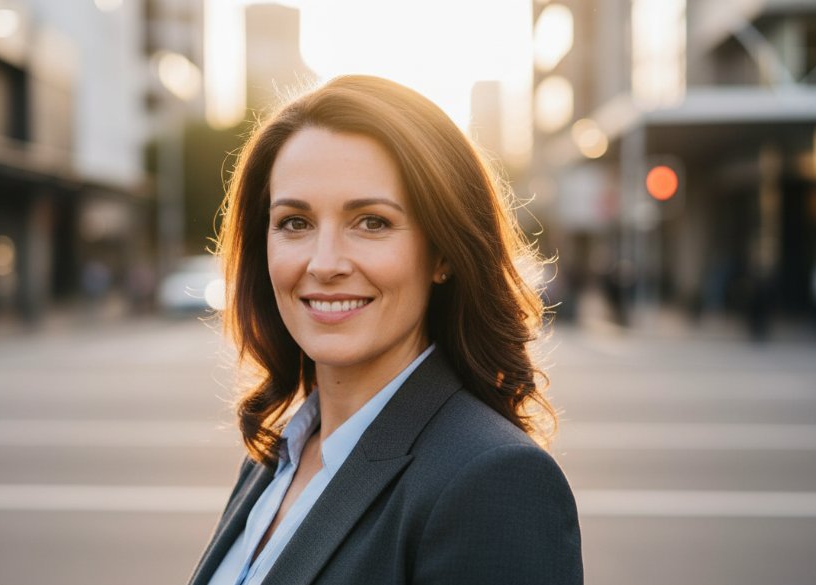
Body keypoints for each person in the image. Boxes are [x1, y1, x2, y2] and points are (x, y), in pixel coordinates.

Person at [189, 75, 583, 585]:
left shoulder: (493, 481)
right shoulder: (278, 456)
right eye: (294, 223)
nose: (324, 263)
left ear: (443, 251)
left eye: (371, 222)